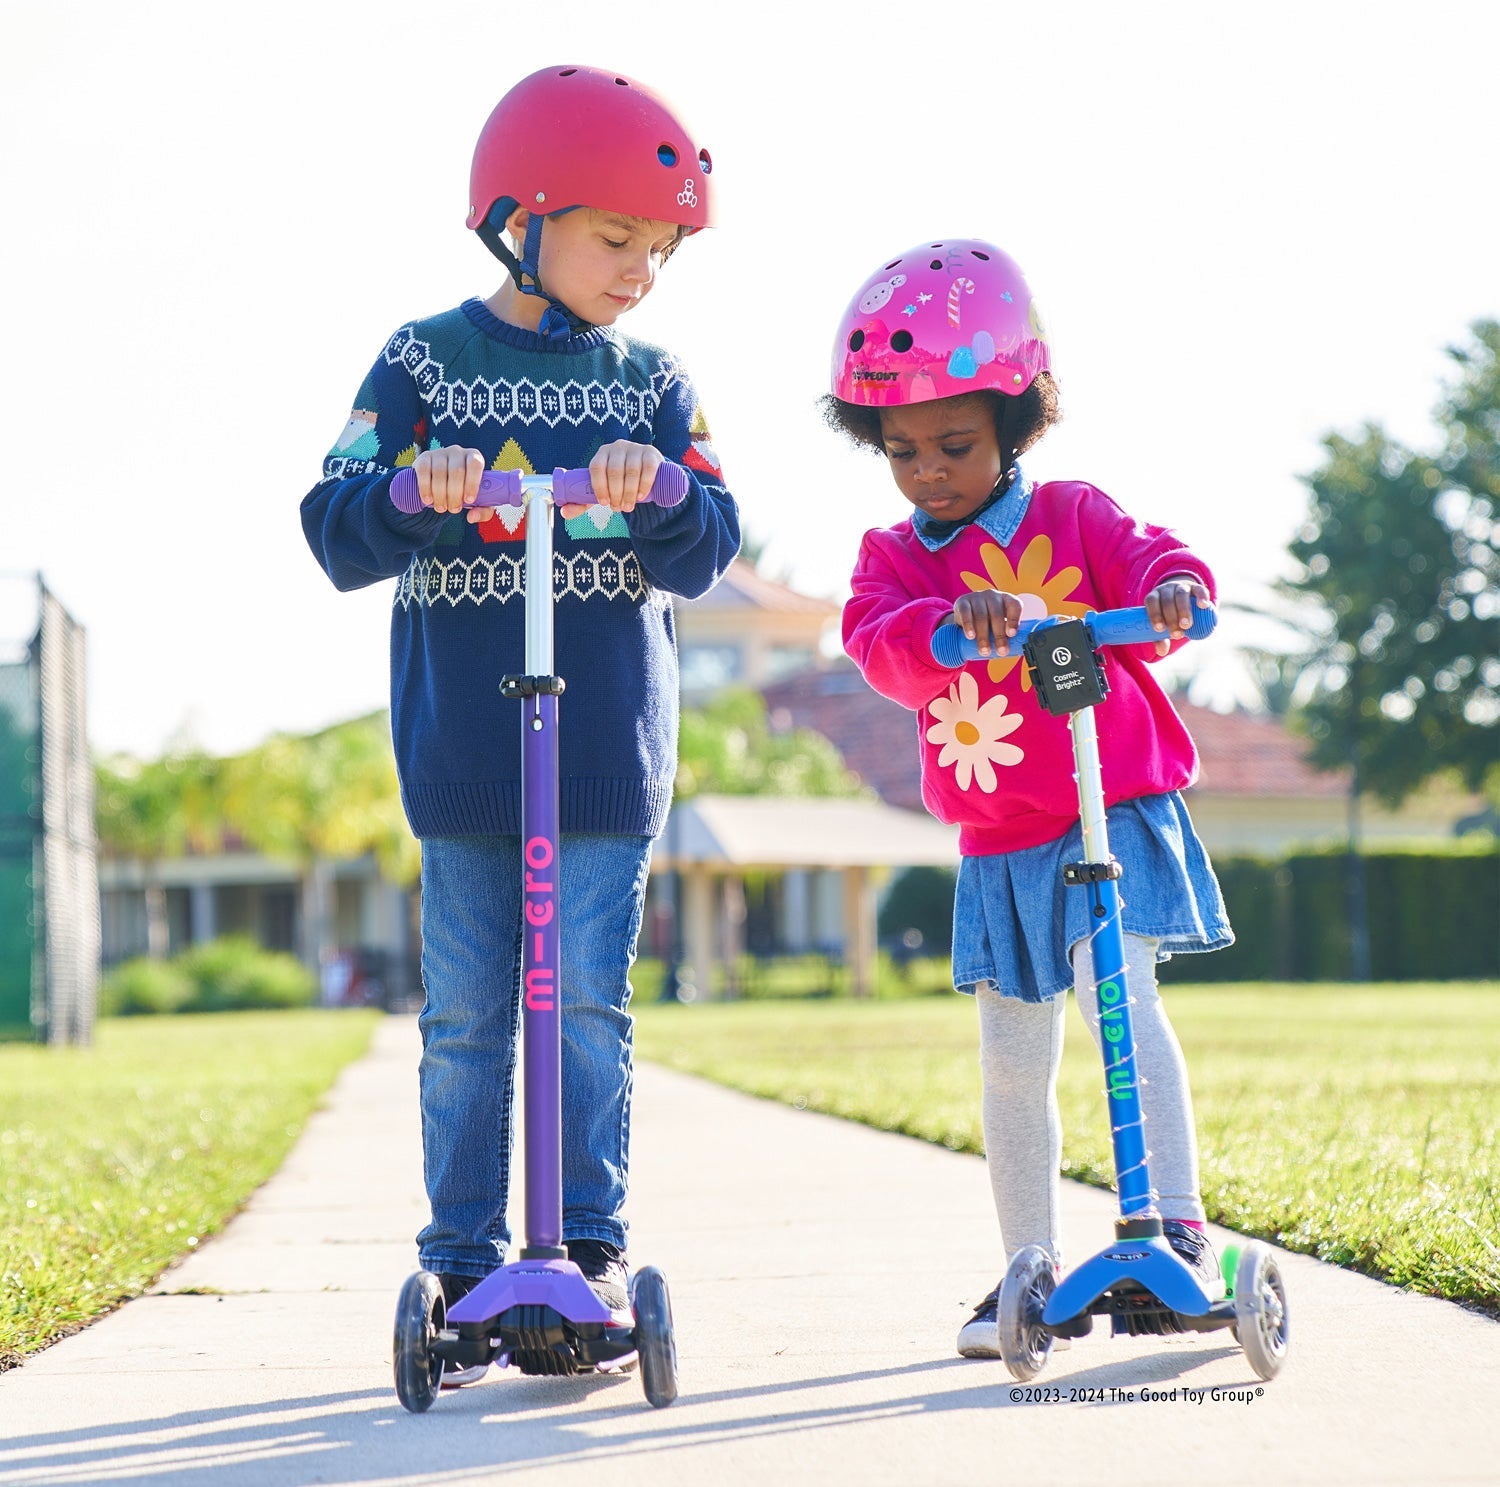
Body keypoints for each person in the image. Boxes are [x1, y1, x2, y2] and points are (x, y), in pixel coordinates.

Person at [301, 65, 740, 1384]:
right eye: (616, 239)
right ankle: (458, 1259)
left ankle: (590, 1246)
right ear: (520, 220)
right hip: (466, 750)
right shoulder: (424, 362)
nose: (641, 272)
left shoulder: (654, 380)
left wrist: (663, 489)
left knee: (588, 1004)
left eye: (659, 249)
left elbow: (712, 541)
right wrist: (412, 488)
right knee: (465, 1019)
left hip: (603, 746)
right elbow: (333, 520)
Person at [825, 239, 1232, 1358]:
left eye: (954, 445)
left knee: (1125, 1004)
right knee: (1012, 1056)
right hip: (1001, 839)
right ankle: (1029, 1263)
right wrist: (951, 625)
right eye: (901, 451)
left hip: (1113, 809)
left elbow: (1154, 562)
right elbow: (878, 643)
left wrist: (1174, 589)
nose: (928, 472)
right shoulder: (893, 559)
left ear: (1016, 421)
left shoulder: (1072, 513)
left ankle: (1179, 1227)